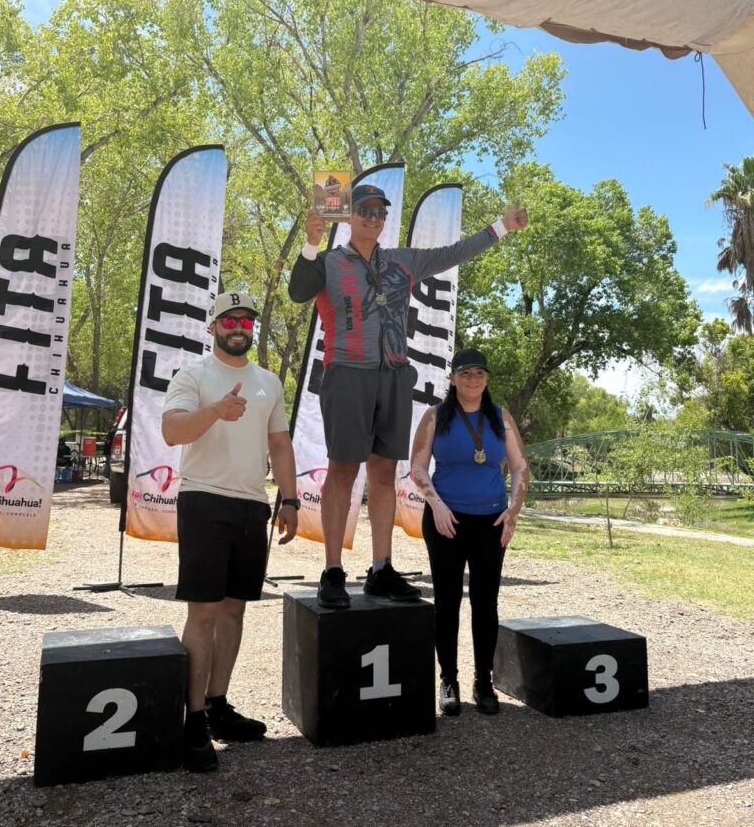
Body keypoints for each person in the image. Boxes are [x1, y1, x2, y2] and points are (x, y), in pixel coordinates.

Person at [288, 183, 527, 609]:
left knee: (384, 472)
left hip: (395, 374)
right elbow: (298, 292)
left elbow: (455, 252)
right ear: (351, 215)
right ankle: (332, 571)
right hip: (346, 372)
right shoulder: (328, 261)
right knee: (342, 470)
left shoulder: (402, 260)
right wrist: (309, 244)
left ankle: (381, 567)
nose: (373, 219)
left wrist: (503, 227)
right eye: (365, 210)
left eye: (380, 213)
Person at [161, 290, 300, 772]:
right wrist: (214, 412)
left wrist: (290, 498)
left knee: (235, 611)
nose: (238, 326)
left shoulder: (268, 382)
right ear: (213, 326)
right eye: (229, 319)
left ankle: (218, 706)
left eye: (246, 320)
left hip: (251, 506)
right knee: (202, 613)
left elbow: (279, 444)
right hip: (202, 500)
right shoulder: (194, 375)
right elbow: (173, 431)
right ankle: (193, 719)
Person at [409, 348, 529, 716]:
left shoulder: (500, 418)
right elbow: (417, 468)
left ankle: (483, 681)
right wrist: (437, 504)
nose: (472, 379)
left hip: (491, 521)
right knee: (447, 601)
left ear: (487, 379)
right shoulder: (436, 416)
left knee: (485, 601)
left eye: (479, 373)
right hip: (447, 520)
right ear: (452, 378)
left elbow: (520, 467)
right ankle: (449, 679)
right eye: (465, 373)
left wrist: (513, 510)